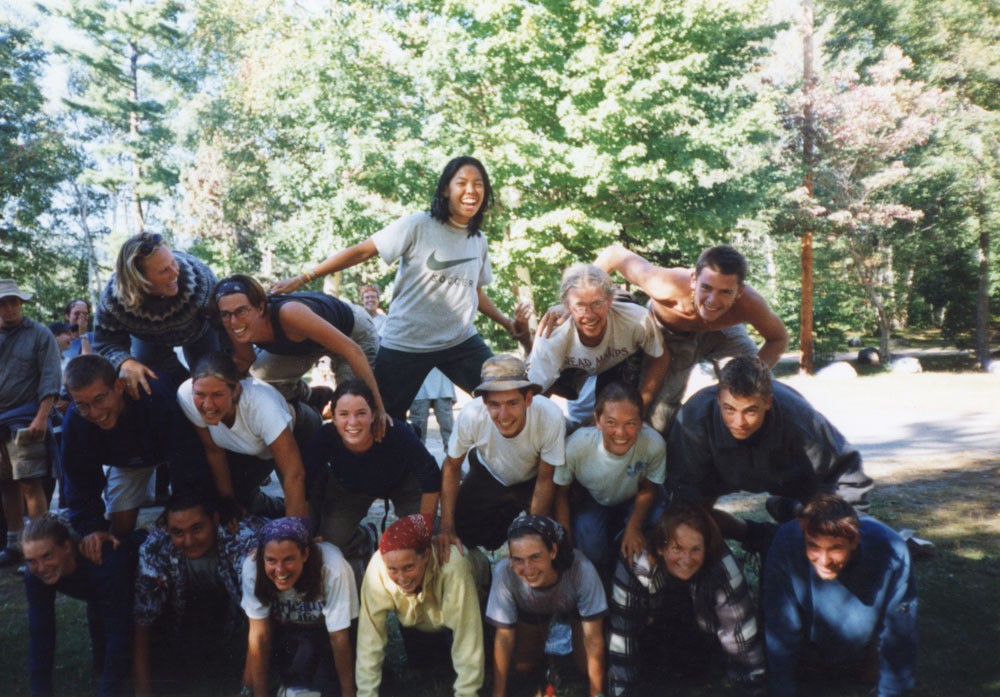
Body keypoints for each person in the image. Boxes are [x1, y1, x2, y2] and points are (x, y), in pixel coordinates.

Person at [270, 155, 529, 420]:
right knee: (380, 418)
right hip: (406, 343)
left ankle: (487, 459)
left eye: (479, 184)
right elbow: (361, 251)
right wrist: (303, 277)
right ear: (445, 190)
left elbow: (475, 293)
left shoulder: (478, 239)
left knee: (504, 396)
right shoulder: (418, 224)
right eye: (462, 183)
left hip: (460, 341)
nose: (471, 190)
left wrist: (509, 324)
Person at [668, 356, 873, 549]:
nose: (739, 422)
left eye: (750, 410)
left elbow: (846, 473)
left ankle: (791, 510)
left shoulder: (799, 418)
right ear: (718, 398)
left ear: (767, 403)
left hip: (792, 477)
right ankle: (758, 534)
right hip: (718, 474)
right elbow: (683, 491)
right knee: (689, 521)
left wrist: (847, 529)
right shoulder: (694, 419)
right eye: (729, 409)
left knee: (829, 530)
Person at [593, 244, 789, 434]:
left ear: (739, 291)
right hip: (669, 336)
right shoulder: (664, 284)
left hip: (723, 332)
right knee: (659, 418)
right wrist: (579, 304)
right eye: (706, 287)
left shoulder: (750, 304)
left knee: (756, 390)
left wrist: (751, 372)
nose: (712, 300)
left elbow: (778, 338)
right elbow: (613, 255)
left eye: (725, 292)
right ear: (694, 280)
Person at [764, 495, 917, 697]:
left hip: (863, 645)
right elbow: (781, 626)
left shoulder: (892, 549)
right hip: (809, 648)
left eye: (835, 548)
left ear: (854, 540)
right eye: (813, 546)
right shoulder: (786, 540)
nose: (824, 561)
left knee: (872, 674)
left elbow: (900, 634)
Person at [607, 503, 766, 697]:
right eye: (677, 548)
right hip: (650, 634)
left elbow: (743, 639)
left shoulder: (724, 567)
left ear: (707, 548)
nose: (686, 558)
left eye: (696, 549)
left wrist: (754, 691)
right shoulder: (636, 564)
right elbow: (622, 634)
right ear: (660, 547)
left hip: (702, 636)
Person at [61, 355, 209, 560]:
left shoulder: (155, 396)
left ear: (119, 387)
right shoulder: (76, 419)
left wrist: (178, 514)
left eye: (99, 399)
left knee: (184, 525)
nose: (94, 413)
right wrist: (91, 528)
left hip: (170, 447)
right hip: (126, 461)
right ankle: (136, 548)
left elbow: (188, 462)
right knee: (119, 530)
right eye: (82, 404)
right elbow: (79, 481)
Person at [133, 493, 264, 697]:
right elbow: (142, 619)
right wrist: (143, 691)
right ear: (166, 529)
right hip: (187, 614)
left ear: (215, 519)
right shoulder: (155, 547)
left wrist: (246, 690)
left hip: (240, 617)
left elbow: (260, 625)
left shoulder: (241, 539)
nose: (189, 541)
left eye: (197, 529)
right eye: (178, 532)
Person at [436, 355, 566, 557]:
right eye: (494, 405)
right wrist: (446, 526)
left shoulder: (550, 416)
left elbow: (545, 478)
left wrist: (534, 534)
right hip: (487, 473)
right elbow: (452, 466)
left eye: (512, 403)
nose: (503, 416)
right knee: (457, 535)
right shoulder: (472, 414)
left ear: (529, 399)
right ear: (484, 401)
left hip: (532, 479)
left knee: (550, 540)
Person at [213, 274, 385, 426]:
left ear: (260, 307)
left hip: (351, 336)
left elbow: (353, 351)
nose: (234, 322)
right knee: (259, 379)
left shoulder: (290, 313)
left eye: (241, 311)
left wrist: (378, 408)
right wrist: (219, 391)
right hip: (307, 344)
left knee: (353, 405)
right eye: (226, 314)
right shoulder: (236, 326)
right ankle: (313, 398)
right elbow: (245, 362)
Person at [305, 379, 440, 562]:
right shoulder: (324, 438)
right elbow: (303, 482)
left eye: (361, 413)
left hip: (403, 486)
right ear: (333, 418)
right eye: (344, 414)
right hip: (350, 487)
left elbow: (431, 475)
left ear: (373, 415)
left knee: (428, 538)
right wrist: (302, 531)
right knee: (332, 544)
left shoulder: (395, 432)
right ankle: (366, 538)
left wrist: (422, 531)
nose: (352, 422)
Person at [356, 514, 485, 697]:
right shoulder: (377, 567)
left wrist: (467, 692)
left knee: (485, 661)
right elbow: (369, 641)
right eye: (393, 569)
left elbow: (468, 635)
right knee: (427, 666)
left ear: (426, 554)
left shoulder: (454, 566)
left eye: (408, 567)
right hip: (421, 618)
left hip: (476, 597)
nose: (401, 578)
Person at [177, 352, 315, 521]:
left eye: (217, 395)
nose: (207, 405)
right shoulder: (186, 395)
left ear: (236, 389)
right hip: (253, 445)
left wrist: (293, 533)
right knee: (239, 504)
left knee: (311, 514)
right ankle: (277, 507)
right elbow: (214, 451)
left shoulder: (262, 405)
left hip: (300, 429)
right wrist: (228, 503)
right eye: (200, 395)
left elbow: (294, 474)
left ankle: (315, 399)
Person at [23, 514, 144, 697]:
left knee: (126, 663)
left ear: (66, 547)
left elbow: (119, 632)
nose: (40, 568)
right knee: (101, 665)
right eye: (31, 560)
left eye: (47, 556)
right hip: (97, 592)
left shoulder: (104, 563)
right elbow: (40, 631)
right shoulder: (35, 573)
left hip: (137, 579)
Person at [486, 515, 606, 697]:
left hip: (574, 611)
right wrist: (498, 694)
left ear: (553, 551)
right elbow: (503, 638)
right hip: (530, 612)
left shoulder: (582, 569)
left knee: (584, 667)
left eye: (535, 557)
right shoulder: (505, 573)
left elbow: (594, 639)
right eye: (518, 559)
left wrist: (597, 694)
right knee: (523, 666)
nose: (528, 569)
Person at [553, 381, 667, 572]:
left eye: (630, 423)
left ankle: (639, 559)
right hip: (595, 498)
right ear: (597, 421)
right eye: (611, 423)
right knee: (591, 549)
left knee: (660, 520)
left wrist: (634, 526)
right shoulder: (577, 445)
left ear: (641, 423)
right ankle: (607, 569)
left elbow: (649, 488)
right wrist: (565, 537)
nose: (621, 433)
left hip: (636, 495)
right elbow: (561, 492)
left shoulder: (653, 443)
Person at [528, 263, 669, 415]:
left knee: (617, 412)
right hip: (575, 369)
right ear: (567, 307)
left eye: (596, 304)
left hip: (619, 361)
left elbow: (660, 358)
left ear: (609, 301)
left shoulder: (637, 319)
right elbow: (533, 393)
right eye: (580, 306)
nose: (589, 315)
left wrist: (639, 410)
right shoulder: (553, 335)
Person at [241, 517, 359, 697]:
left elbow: (339, 637)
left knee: (328, 684)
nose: (280, 570)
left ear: (305, 554)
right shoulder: (252, 567)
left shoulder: (333, 567)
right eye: (271, 560)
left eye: (289, 559)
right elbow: (260, 636)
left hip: (327, 629)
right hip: (287, 629)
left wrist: (349, 693)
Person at [93, 232, 219, 398]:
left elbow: (224, 325)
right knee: (150, 382)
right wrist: (125, 362)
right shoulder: (114, 299)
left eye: (173, 262)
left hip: (198, 331)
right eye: (164, 271)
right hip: (149, 338)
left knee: (211, 378)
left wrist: (233, 360)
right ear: (139, 280)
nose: (175, 272)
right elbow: (105, 343)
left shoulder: (200, 280)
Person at [0, 279, 61, 566]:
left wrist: (42, 415)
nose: (8, 307)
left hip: (26, 418)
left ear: (21, 303)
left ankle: (41, 545)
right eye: (2, 302)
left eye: (13, 301)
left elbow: (50, 375)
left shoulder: (39, 334)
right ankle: (14, 544)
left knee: (29, 482)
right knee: (6, 484)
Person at [408, 367, 455, 448]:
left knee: (448, 427)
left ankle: (453, 457)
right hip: (418, 384)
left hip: (443, 384)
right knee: (417, 430)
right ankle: (417, 458)